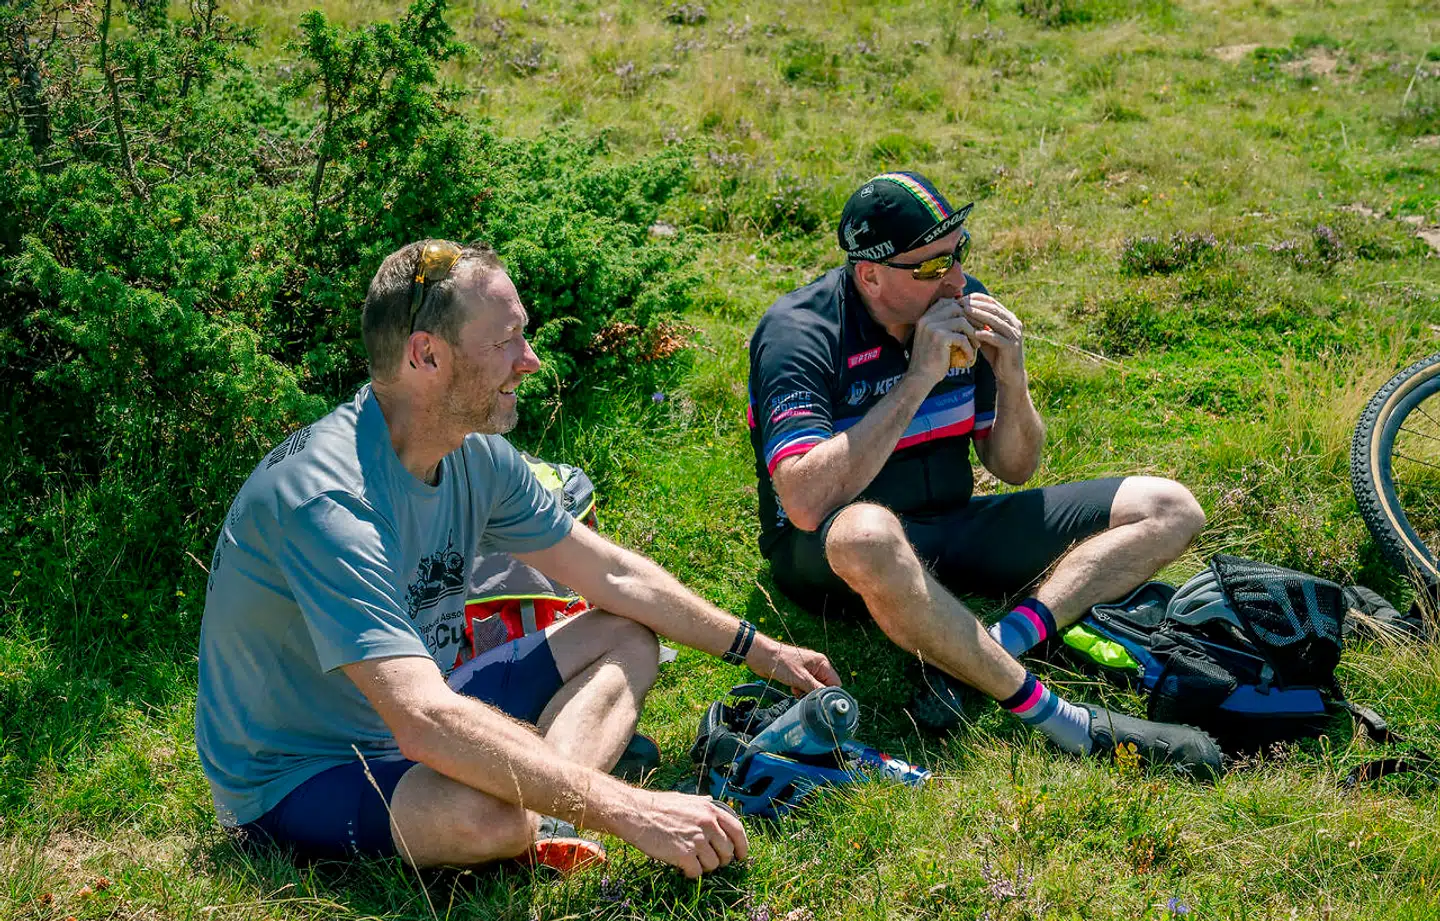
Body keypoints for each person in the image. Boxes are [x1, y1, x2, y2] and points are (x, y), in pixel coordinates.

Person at [196, 239, 841, 877]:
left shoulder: (472, 453)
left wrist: (764, 651)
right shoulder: (328, 502)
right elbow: (420, 719)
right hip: (306, 767)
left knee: (627, 636)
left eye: (523, 336)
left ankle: (550, 811)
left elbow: (610, 573)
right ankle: (546, 803)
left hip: (427, 700)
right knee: (491, 817)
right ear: (427, 355)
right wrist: (632, 809)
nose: (529, 361)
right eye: (503, 342)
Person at [746, 172, 1222, 779]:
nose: (956, 280)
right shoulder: (800, 334)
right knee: (868, 534)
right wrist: (917, 379)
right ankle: (1060, 719)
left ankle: (1001, 640)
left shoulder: (956, 306)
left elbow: (1014, 466)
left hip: (951, 525)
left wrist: (1013, 375)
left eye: (958, 253)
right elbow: (807, 501)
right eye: (930, 268)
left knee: (1170, 507)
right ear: (870, 275)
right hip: (830, 552)